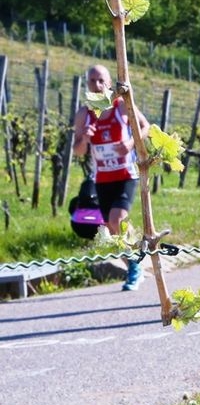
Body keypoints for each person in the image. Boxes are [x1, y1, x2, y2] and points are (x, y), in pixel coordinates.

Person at [72, 64, 150, 291]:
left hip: (125, 174)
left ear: (109, 83)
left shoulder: (122, 106)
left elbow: (145, 126)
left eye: (101, 81)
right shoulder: (84, 114)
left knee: (117, 220)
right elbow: (78, 151)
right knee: (110, 229)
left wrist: (130, 143)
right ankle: (134, 262)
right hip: (102, 178)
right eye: (92, 81)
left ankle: (135, 268)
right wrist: (84, 139)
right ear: (87, 84)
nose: (96, 86)